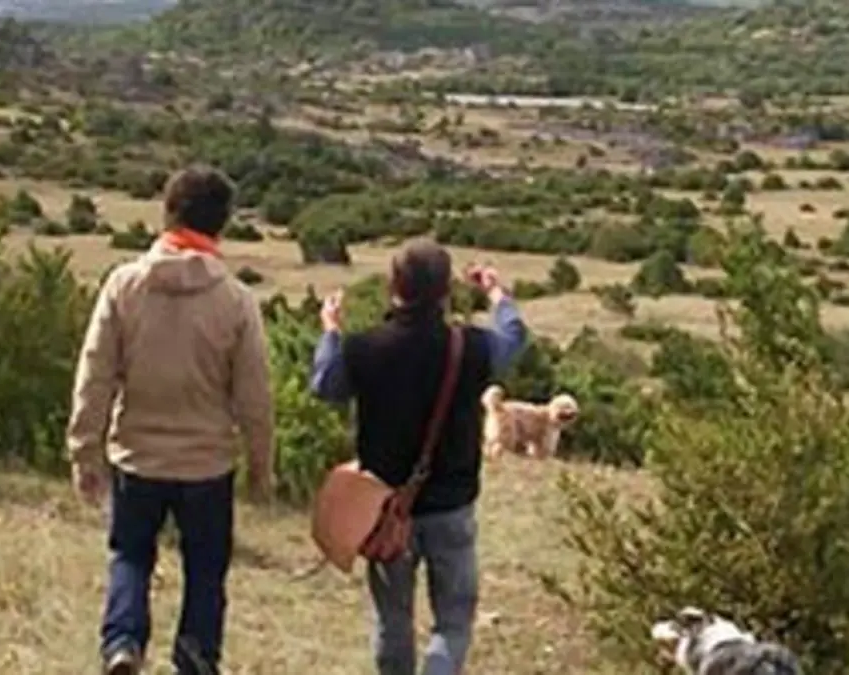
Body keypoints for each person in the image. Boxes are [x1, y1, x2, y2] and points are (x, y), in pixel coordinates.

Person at [66, 165, 275, 675]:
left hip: (136, 456)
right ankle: (198, 657)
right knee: (206, 570)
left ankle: (122, 644)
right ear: (221, 224)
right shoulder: (236, 300)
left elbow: (94, 376)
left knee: (131, 557)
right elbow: (255, 397)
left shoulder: (124, 285)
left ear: (167, 212)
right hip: (207, 465)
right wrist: (260, 464)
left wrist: (83, 450)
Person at [309, 239, 528, 675]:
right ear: (446, 291)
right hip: (452, 504)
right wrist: (497, 294)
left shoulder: (364, 347)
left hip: (387, 508)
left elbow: (325, 385)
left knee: (393, 621)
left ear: (395, 285)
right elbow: (514, 338)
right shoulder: (469, 346)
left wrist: (331, 330)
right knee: (453, 620)